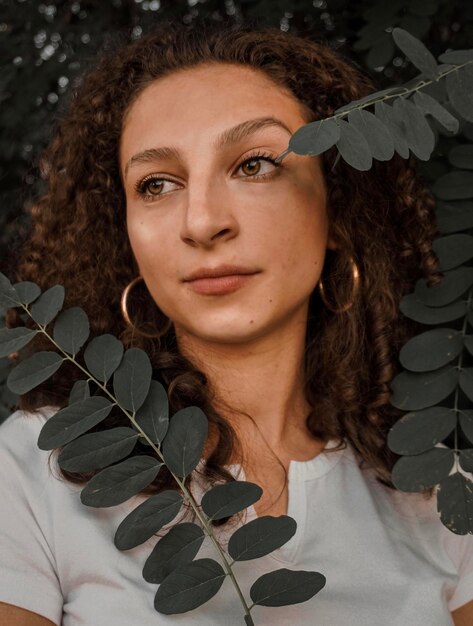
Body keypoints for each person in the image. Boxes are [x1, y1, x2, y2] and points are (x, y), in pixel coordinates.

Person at [0, 18, 472, 626]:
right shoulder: (33, 468)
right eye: (157, 183)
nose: (201, 222)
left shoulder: (440, 482)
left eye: (254, 164)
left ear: (337, 206)